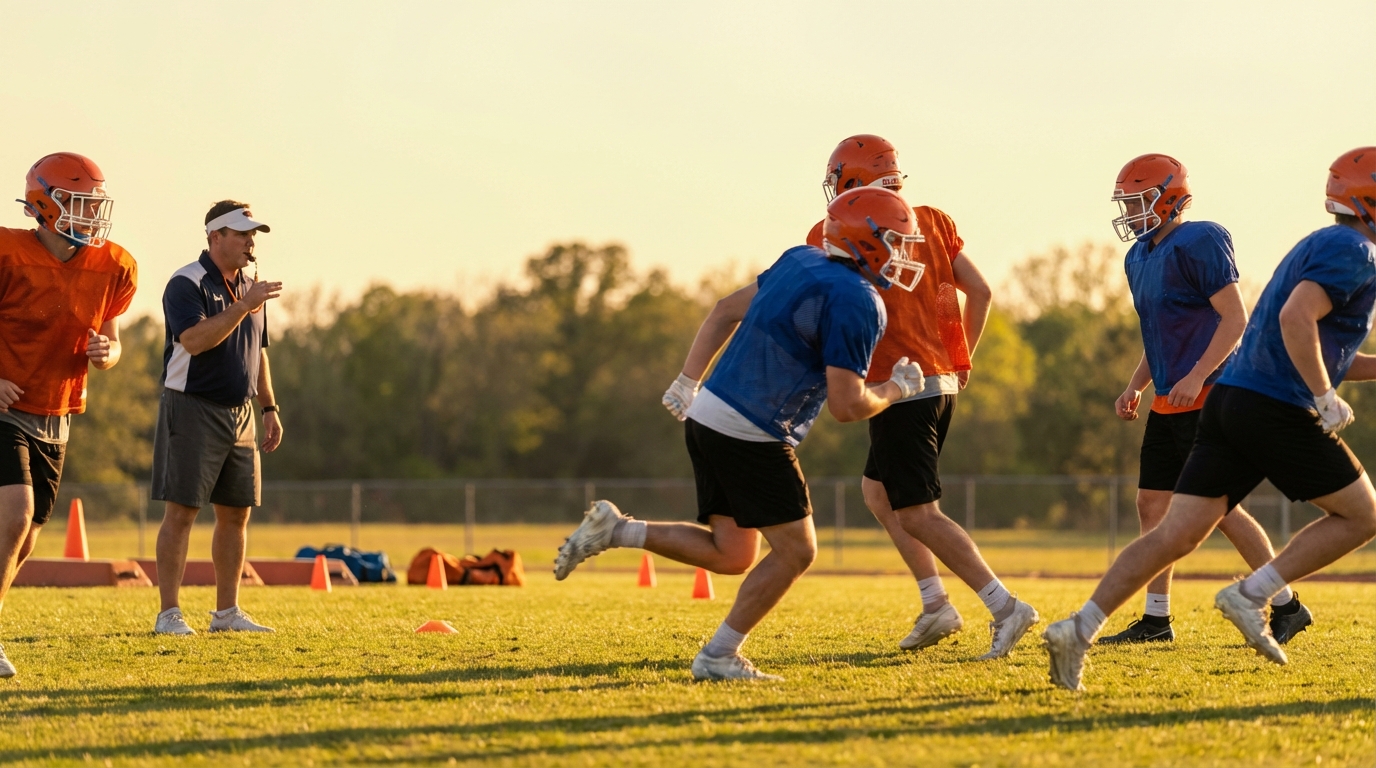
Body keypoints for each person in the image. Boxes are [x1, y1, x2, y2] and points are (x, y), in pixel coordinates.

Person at [555, 187, 927, 680]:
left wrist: (688, 381)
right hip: (753, 428)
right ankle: (718, 655)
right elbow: (847, 405)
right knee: (798, 551)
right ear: (867, 240)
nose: (902, 254)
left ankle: (617, 530)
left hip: (709, 414)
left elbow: (724, 309)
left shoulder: (800, 259)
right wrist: (897, 388)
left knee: (733, 553)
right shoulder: (859, 300)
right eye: (896, 241)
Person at [1044, 147, 1376, 691]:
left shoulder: (1319, 242)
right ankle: (1256, 595)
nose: (1129, 211)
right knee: (1362, 514)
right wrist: (1321, 394)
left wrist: (1322, 381)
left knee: (1176, 530)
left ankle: (1077, 629)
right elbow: (1296, 321)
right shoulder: (1355, 251)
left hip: (1228, 397)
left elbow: (1311, 341)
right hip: (1269, 401)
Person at [805, 135, 1038, 658]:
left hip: (900, 387)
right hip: (935, 382)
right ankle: (936, 604)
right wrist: (963, 359)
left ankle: (1005, 606)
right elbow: (979, 291)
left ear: (854, 181)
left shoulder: (831, 231)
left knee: (918, 512)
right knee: (879, 493)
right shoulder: (930, 220)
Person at [1103, 153, 1310, 645]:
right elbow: (1159, 338)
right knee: (1152, 504)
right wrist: (1136, 385)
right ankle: (1157, 620)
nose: (1130, 212)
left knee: (1218, 508)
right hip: (1170, 399)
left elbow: (1235, 318)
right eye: (1127, 204)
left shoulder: (1201, 240)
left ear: (1170, 198)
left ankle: (1287, 604)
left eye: (1138, 202)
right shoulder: (1138, 256)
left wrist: (1198, 375)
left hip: (1210, 393)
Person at [0, 153, 137, 678]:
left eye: (93, 204)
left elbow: (114, 342)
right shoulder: (9, 254)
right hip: (6, 407)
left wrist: (109, 353)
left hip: (58, 409)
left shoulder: (113, 266)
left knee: (28, 534)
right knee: (14, 514)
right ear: (42, 205)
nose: (88, 215)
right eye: (77, 203)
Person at [151, 201, 283, 636]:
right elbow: (193, 339)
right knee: (183, 512)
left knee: (236, 513)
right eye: (241, 233)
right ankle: (169, 613)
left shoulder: (249, 287)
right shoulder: (186, 281)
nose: (250, 242)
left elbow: (257, 353)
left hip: (242, 413)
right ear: (215, 238)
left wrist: (269, 407)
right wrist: (244, 306)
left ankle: (226, 613)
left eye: (253, 235)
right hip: (192, 406)